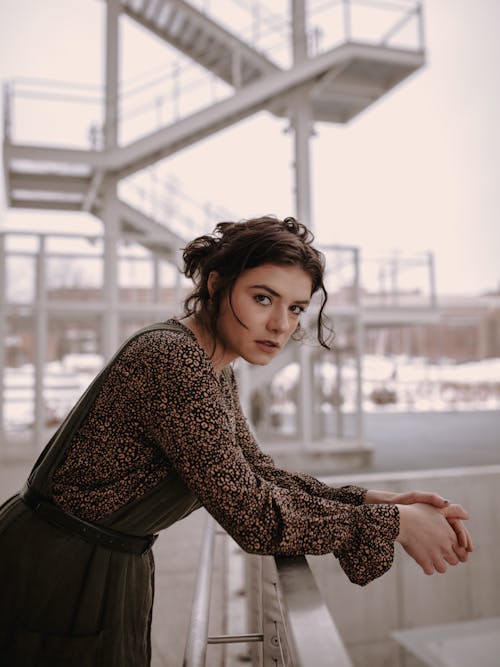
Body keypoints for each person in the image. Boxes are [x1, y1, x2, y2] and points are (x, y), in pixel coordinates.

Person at [0, 216, 472, 666]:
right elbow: (253, 515)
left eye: (296, 308)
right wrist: (393, 523)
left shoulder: (212, 365)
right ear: (216, 284)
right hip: (54, 571)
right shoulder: (172, 358)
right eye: (263, 298)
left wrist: (372, 500)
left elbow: (256, 471)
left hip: (95, 565)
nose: (281, 325)